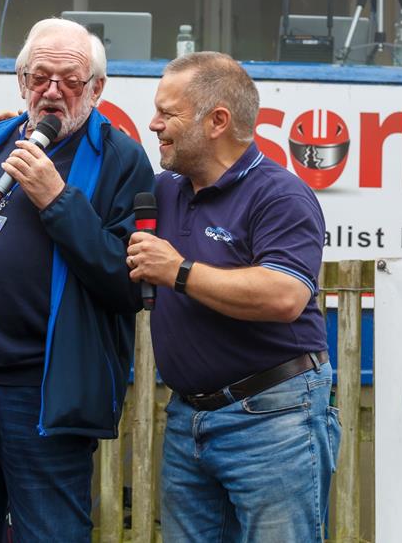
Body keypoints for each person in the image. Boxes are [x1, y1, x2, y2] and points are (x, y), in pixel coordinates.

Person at [0, 18, 154, 541]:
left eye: (70, 80)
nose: (53, 91)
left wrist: (57, 200)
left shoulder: (121, 161)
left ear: (97, 89)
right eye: (40, 77)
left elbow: (127, 284)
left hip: (41, 394)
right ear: (21, 83)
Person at [126, 52, 341, 542]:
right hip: (187, 419)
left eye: (168, 112)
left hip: (273, 419)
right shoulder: (162, 191)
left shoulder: (280, 195)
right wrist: (22, 130)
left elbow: (284, 295)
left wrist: (176, 270)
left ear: (217, 120)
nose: (155, 124)